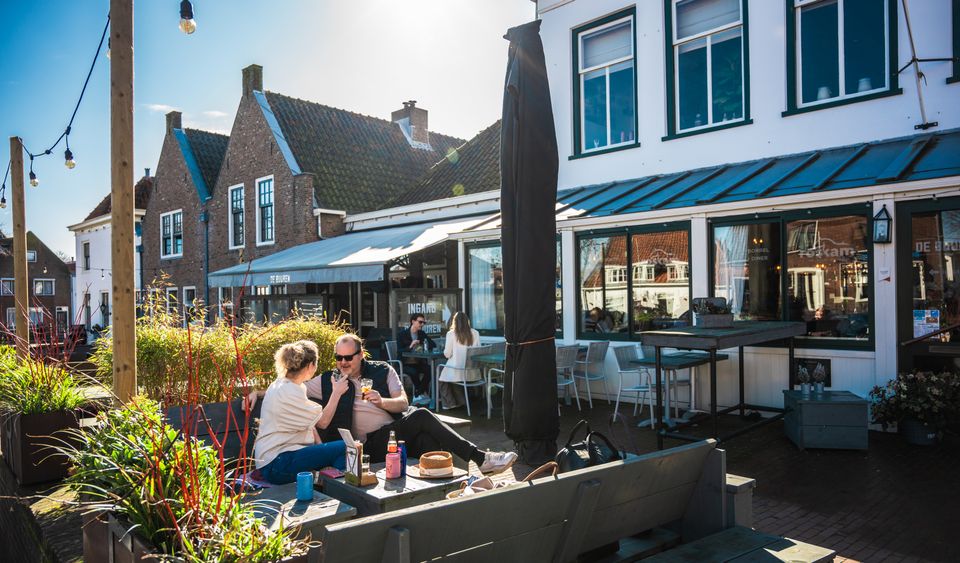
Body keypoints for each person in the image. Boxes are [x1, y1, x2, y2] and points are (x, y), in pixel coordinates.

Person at [247, 334, 518, 475]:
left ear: (360, 354)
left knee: (424, 437)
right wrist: (256, 392)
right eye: (338, 358)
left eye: (348, 358)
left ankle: (445, 493)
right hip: (366, 445)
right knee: (424, 419)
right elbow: (292, 381)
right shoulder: (329, 380)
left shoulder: (382, 370)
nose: (342, 363)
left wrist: (382, 401)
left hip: (392, 434)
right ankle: (481, 460)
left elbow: (403, 403)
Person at [252, 340, 347, 484]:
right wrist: (337, 393)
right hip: (276, 464)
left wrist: (320, 447)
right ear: (310, 365)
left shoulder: (283, 384)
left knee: (338, 450)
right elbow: (323, 422)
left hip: (273, 461)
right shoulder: (290, 391)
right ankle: (339, 493)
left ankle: (329, 487)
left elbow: (309, 423)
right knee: (345, 448)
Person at [437, 312, 481, 410]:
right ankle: (461, 402)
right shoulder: (475, 333)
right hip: (472, 371)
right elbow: (479, 351)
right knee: (448, 375)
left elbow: (447, 354)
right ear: (467, 321)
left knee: (441, 374)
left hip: (457, 370)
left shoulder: (451, 334)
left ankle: (449, 403)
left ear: (454, 322)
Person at [398, 313, 437, 406]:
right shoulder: (402, 334)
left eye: (424, 322)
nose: (422, 324)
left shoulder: (421, 333)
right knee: (413, 372)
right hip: (405, 363)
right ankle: (422, 394)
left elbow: (433, 344)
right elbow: (399, 350)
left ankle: (417, 393)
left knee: (430, 369)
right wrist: (411, 345)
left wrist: (423, 342)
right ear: (413, 321)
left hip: (418, 362)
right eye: (420, 322)